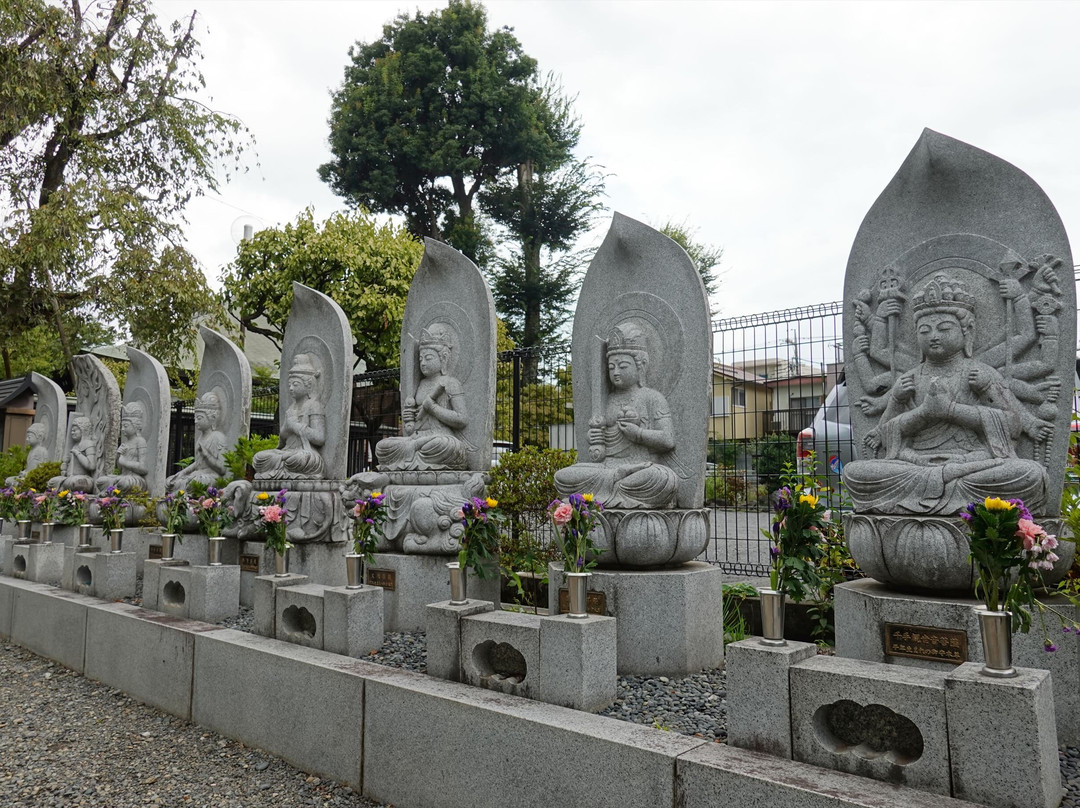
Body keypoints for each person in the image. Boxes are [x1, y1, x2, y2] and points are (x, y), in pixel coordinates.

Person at [844, 273, 1048, 515]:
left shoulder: (981, 374)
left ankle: (945, 498)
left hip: (972, 464)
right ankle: (960, 502)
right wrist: (914, 408)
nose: (934, 336)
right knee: (855, 473)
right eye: (925, 330)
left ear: (967, 331)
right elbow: (887, 432)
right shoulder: (909, 379)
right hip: (914, 465)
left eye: (944, 328)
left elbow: (1011, 425)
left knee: (1029, 474)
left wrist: (952, 410)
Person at [554, 322, 678, 508]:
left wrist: (637, 434)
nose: (616, 372)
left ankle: (603, 495)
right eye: (611, 367)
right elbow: (598, 448)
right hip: (608, 468)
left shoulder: (652, 398)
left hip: (641, 466)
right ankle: (617, 485)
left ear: (641, 366)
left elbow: (668, 440)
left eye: (623, 366)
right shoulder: (607, 400)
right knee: (561, 477)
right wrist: (595, 436)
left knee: (663, 478)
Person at [376, 324, 470, 471]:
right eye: (420, 359)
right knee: (382, 447)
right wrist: (409, 420)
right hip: (418, 436)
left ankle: (411, 455)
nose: (423, 363)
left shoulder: (451, 383)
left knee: (448, 446)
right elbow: (412, 427)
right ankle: (413, 452)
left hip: (439, 437)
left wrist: (433, 408)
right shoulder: (421, 384)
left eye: (428, 358)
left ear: (443, 358)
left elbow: (462, 419)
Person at [253, 353, 326, 480]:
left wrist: (295, 426)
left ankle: (280, 470)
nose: (291, 388)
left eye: (295, 384)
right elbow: (283, 438)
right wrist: (287, 428)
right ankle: (281, 469)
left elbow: (319, 437)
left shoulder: (314, 406)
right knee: (259, 457)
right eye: (290, 385)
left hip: (304, 453)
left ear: (308, 385)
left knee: (304, 459)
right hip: (288, 451)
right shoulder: (290, 409)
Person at [166, 390, 227, 492]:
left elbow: (222, 468)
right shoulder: (201, 437)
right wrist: (181, 473)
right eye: (195, 417)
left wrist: (207, 455)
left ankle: (189, 504)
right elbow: (197, 463)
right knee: (172, 482)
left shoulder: (217, 437)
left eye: (199, 418)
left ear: (212, 418)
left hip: (211, 476)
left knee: (195, 482)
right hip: (198, 473)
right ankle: (179, 504)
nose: (195, 421)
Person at [97, 402, 149, 493]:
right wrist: (119, 456)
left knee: (123, 483)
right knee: (101, 481)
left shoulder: (140, 441)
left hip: (134, 478)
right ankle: (112, 492)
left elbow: (143, 468)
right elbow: (120, 468)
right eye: (122, 426)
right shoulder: (125, 442)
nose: (122, 429)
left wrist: (125, 462)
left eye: (126, 426)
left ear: (135, 426)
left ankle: (112, 493)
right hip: (123, 476)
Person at [50, 416, 98, 493]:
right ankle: (65, 487)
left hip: (84, 478)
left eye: (75, 430)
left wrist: (78, 453)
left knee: (78, 483)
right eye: (72, 431)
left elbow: (91, 466)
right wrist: (65, 467)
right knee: (52, 482)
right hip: (71, 478)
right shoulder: (75, 445)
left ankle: (64, 488)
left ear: (83, 430)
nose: (72, 433)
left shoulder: (89, 444)